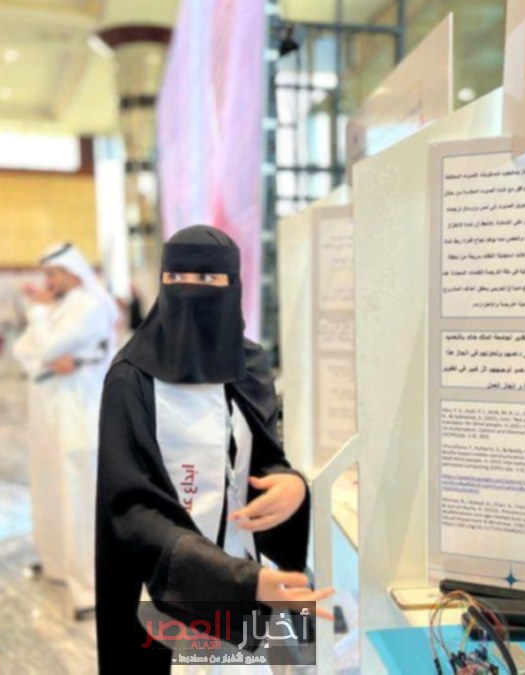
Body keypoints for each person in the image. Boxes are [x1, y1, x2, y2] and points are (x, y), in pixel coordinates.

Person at [95, 225, 332, 673]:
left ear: (232, 284)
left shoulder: (249, 365)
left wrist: (292, 486)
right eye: (176, 277)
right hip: (167, 594)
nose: (189, 289)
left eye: (206, 278)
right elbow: (130, 509)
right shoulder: (131, 378)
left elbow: (262, 459)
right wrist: (236, 582)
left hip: (247, 576)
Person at [13, 242, 119, 620]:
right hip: (49, 413)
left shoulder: (90, 305)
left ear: (72, 273)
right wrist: (45, 356)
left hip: (79, 415)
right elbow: (23, 351)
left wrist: (39, 317)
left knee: (79, 496)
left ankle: (88, 586)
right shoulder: (60, 306)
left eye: (52, 274)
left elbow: (47, 346)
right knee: (51, 488)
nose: (47, 282)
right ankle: (57, 564)